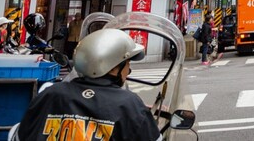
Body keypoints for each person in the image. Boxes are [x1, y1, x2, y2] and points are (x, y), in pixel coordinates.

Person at [14, 28, 161, 141]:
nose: (129, 70)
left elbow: (19, 136)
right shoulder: (130, 104)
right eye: (127, 63)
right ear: (113, 66)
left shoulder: (49, 95)